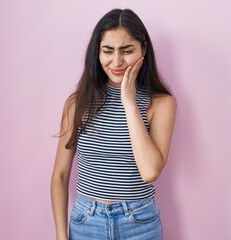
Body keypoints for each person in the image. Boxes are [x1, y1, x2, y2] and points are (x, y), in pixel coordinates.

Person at [51, 8, 176, 240]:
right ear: (97, 53)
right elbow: (60, 175)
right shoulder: (77, 103)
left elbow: (150, 171)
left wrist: (128, 101)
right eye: (107, 51)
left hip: (140, 223)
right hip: (86, 222)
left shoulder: (160, 104)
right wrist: (60, 235)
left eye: (127, 50)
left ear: (144, 50)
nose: (116, 61)